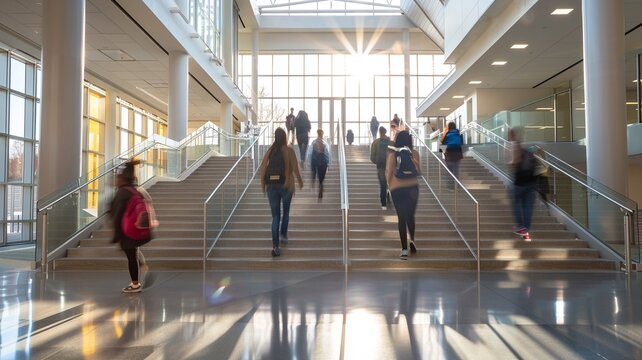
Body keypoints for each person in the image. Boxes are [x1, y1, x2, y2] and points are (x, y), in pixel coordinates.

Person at [110, 159, 152, 293]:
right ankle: (143, 268)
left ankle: (135, 284)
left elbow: (117, 214)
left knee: (131, 255)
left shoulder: (122, 192)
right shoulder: (138, 189)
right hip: (137, 227)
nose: (116, 180)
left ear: (122, 178)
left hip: (127, 229)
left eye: (118, 178)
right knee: (134, 252)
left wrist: (116, 235)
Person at [260, 128, 304, 257]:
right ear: (284, 137)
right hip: (286, 185)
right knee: (286, 212)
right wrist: (300, 182)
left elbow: (262, 168)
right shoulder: (289, 150)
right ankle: (283, 234)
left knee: (275, 217)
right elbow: (295, 167)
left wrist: (264, 185)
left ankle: (275, 246)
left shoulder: (270, 151)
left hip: (271, 187)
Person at [386, 130, 421, 260]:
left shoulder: (393, 155)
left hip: (397, 188)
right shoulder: (415, 153)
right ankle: (412, 240)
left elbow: (389, 173)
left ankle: (404, 249)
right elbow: (419, 172)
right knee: (411, 216)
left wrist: (389, 188)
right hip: (412, 187)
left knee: (402, 218)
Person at [509, 127, 536, 242]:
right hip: (530, 181)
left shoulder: (516, 145)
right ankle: (526, 230)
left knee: (515, 203)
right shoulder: (526, 148)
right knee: (527, 207)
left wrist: (512, 164)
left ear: (512, 135)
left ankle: (521, 226)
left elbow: (515, 163)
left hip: (519, 182)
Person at [370, 126, 391, 209]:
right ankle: (388, 191)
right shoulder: (391, 142)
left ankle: (383, 204)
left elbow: (372, 158)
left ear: (379, 132)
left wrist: (377, 162)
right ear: (385, 132)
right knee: (389, 182)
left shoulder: (375, 143)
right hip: (390, 166)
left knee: (382, 184)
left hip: (381, 167)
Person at [308, 129, 332, 199]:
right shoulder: (325, 144)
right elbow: (328, 155)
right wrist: (329, 164)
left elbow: (309, 153)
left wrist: (309, 162)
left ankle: (313, 180)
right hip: (323, 162)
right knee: (321, 178)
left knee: (314, 172)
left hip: (315, 161)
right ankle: (320, 185)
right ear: (322, 134)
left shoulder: (313, 142)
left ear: (317, 134)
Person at [441, 122, 463, 190]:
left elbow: (442, 145)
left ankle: (450, 187)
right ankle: (457, 186)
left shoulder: (447, 134)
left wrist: (443, 153)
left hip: (449, 155)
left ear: (449, 127)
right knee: (456, 171)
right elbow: (461, 144)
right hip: (458, 155)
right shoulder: (459, 134)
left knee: (449, 172)